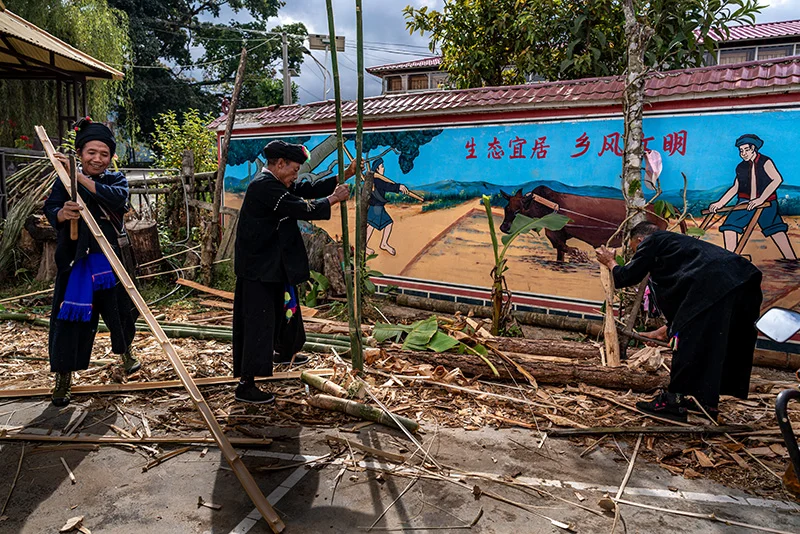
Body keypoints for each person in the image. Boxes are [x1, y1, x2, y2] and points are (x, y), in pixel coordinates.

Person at [595, 222, 763, 422]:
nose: (637, 253)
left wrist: (610, 262)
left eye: (635, 249)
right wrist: (666, 330)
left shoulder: (653, 241)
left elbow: (626, 276)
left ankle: (673, 402)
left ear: (640, 240)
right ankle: (705, 402)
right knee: (717, 344)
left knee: (689, 344)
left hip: (716, 285)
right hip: (743, 281)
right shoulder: (681, 248)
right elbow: (689, 307)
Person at [232, 140, 353, 404]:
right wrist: (334, 199)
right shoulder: (264, 187)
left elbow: (307, 189)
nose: (295, 176)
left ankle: (286, 351)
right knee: (258, 323)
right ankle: (246, 384)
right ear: (278, 164)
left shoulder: (279, 184)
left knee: (288, 309)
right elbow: (298, 207)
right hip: (258, 269)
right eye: (294, 169)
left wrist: (345, 175)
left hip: (274, 265)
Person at [43, 118, 140, 407]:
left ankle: (126, 354)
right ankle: (63, 377)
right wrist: (63, 214)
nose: (97, 159)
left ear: (111, 157)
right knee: (69, 319)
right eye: (91, 153)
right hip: (76, 263)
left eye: (104, 154)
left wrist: (77, 176)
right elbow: (51, 208)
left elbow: (116, 200)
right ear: (80, 153)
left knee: (121, 313)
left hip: (110, 261)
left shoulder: (116, 180)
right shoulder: (61, 181)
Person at [708, 134, 796, 260]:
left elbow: (777, 179)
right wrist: (719, 203)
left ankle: (791, 260)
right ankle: (731, 259)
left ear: (753, 148)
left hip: (767, 203)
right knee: (730, 226)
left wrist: (761, 199)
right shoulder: (741, 167)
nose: (743, 153)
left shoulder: (765, 161)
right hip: (745, 203)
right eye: (741, 151)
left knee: (775, 229)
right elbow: (735, 187)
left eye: (746, 149)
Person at [365, 158, 409, 256]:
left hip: (379, 206)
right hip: (375, 207)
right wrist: (399, 187)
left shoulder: (377, 180)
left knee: (387, 223)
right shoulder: (376, 180)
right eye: (382, 167)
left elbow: (386, 185)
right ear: (377, 169)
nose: (383, 169)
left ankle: (384, 243)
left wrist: (398, 187)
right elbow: (387, 186)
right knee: (371, 225)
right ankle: (364, 246)